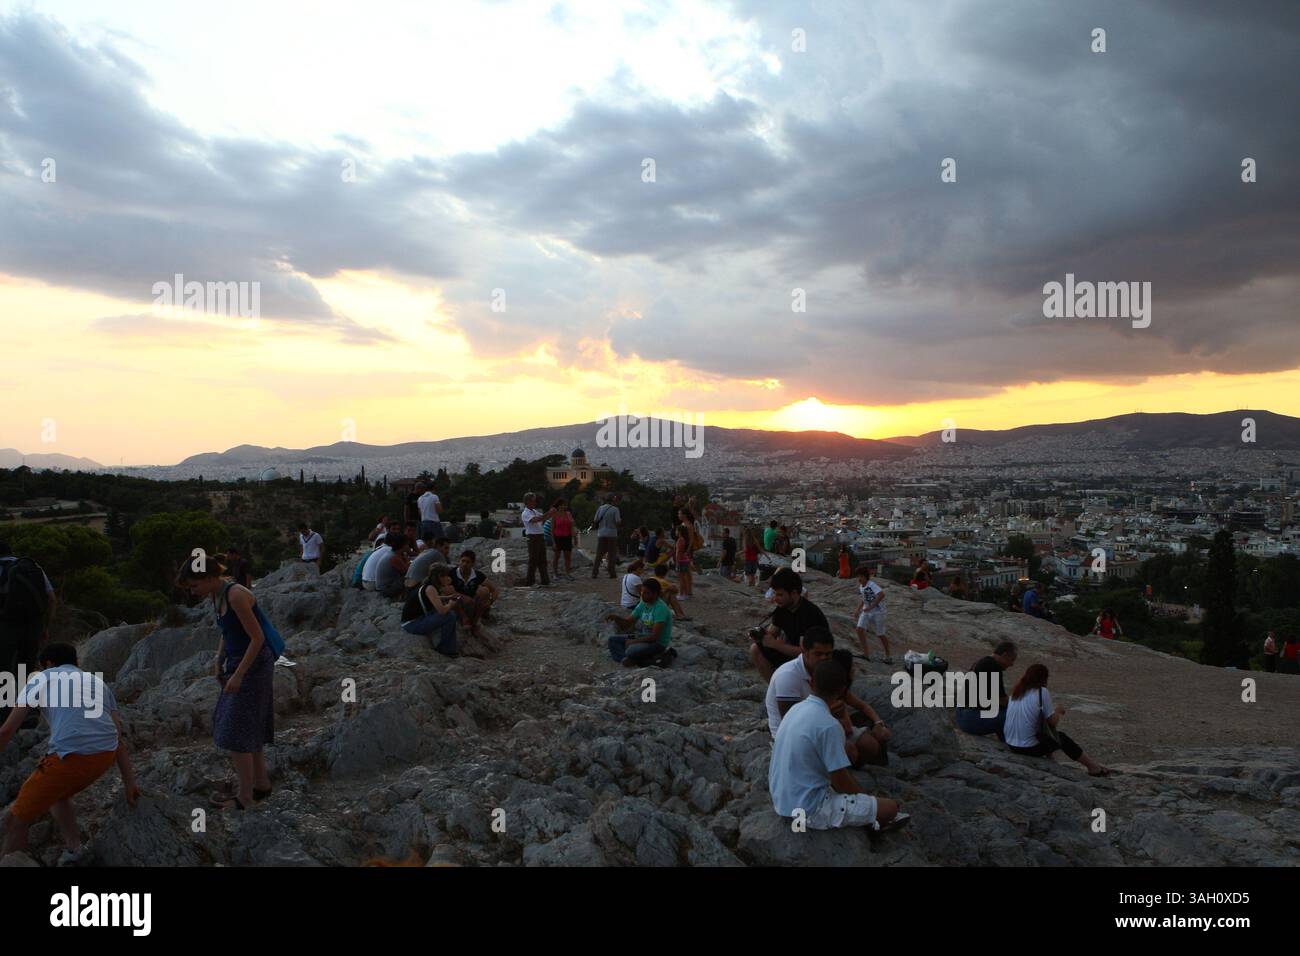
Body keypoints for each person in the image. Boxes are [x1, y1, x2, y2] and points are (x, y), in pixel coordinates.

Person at [0, 642, 141, 864]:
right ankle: (75, 848)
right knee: (57, 793)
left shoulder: (42, 678)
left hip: (73, 757)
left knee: (14, 820)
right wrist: (129, 782)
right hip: (104, 755)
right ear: (76, 662)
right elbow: (117, 735)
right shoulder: (97, 682)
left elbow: (7, 730)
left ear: (47, 664)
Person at [177, 555, 276, 810]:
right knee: (248, 725)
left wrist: (239, 674)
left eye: (194, 585)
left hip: (253, 666)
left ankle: (244, 798)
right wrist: (219, 657)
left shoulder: (235, 596)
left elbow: (257, 638)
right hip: (236, 662)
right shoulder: (216, 595)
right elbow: (228, 630)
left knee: (234, 731)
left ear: (209, 577)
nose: (192, 591)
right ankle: (261, 783)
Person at [768, 660, 905, 831]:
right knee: (891, 808)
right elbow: (841, 781)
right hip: (807, 809)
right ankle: (870, 825)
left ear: (811, 683)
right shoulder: (829, 725)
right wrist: (866, 800)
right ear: (842, 691)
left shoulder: (796, 709)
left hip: (781, 799)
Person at [766, 627, 889, 767]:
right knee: (848, 750)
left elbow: (849, 700)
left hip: (822, 723)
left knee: (869, 745)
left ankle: (843, 768)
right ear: (805, 652)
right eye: (818, 654)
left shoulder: (824, 671)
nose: (823, 659)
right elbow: (790, 721)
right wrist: (833, 721)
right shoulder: (788, 676)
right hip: (794, 735)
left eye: (828, 654)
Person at [1004, 664, 1111, 776]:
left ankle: (1050, 757)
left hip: (1011, 744)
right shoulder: (1041, 692)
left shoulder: (1016, 692)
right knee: (1061, 738)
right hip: (1026, 748)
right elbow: (1052, 722)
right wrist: (1058, 710)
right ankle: (1093, 767)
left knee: (1041, 727)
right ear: (1044, 678)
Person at [0, 540, 56, 721]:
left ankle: (5, 714)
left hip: (6, 626)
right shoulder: (32, 567)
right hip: (34, 625)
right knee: (27, 667)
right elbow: (51, 598)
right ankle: (28, 712)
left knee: (5, 669)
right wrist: (45, 626)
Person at [750, 568, 828, 682]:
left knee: (805, 659)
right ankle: (776, 687)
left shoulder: (809, 614)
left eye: (780, 594)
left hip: (815, 660)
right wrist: (760, 635)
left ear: (794, 593)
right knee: (755, 649)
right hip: (793, 655)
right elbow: (772, 632)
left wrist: (777, 645)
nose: (775, 598)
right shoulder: (783, 608)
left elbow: (805, 652)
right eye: (775, 593)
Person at [829, 648, 892, 766]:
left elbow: (864, 706)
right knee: (869, 744)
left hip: (847, 730)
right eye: (852, 666)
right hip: (838, 734)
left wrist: (878, 723)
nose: (854, 669)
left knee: (879, 731)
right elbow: (845, 728)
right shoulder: (830, 694)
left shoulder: (843, 691)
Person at [954, 641, 1018, 738]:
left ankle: (1005, 739)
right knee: (1015, 714)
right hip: (971, 718)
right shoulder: (993, 666)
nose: (1012, 664)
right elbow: (1001, 700)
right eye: (1012, 660)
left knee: (1005, 710)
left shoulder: (981, 662)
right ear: (1004, 655)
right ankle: (1013, 743)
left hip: (961, 715)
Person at [606, 578, 672, 667]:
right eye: (642, 592)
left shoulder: (660, 608)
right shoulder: (643, 604)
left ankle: (632, 659)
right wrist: (616, 618)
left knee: (630, 650)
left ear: (655, 594)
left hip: (658, 643)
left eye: (646, 593)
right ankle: (626, 659)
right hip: (643, 636)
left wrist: (633, 641)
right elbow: (628, 623)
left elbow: (655, 637)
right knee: (612, 640)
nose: (642, 595)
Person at [401, 564, 464, 657]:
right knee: (450, 616)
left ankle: (446, 646)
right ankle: (446, 649)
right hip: (412, 624)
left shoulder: (427, 585)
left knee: (447, 613)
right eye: (446, 575)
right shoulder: (431, 589)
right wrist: (450, 604)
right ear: (439, 576)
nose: (448, 578)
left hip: (413, 621)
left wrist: (447, 597)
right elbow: (442, 611)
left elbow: (433, 598)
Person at [450, 550, 499, 634]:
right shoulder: (452, 573)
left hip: (472, 605)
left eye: (468, 562)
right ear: (459, 561)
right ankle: (464, 618)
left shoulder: (477, 575)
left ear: (472, 564)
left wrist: (490, 602)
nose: (464, 564)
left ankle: (475, 621)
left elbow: (494, 590)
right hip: (458, 605)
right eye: (463, 561)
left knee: (485, 591)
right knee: (448, 592)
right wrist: (463, 597)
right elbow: (445, 590)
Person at [853, 565, 892, 664]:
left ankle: (888, 656)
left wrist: (872, 606)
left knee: (880, 634)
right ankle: (866, 654)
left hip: (878, 612)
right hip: (866, 611)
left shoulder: (871, 584)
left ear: (865, 576)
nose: (859, 578)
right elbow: (864, 598)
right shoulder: (861, 587)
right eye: (858, 576)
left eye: (860, 576)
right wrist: (858, 610)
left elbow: (881, 594)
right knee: (859, 629)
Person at [521, 493, 555, 587]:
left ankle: (545, 581)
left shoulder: (534, 511)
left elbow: (544, 517)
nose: (535, 502)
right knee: (533, 560)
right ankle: (530, 582)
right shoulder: (526, 513)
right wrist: (549, 512)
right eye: (534, 500)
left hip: (540, 536)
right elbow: (537, 519)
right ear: (528, 501)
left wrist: (551, 512)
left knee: (542, 560)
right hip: (532, 537)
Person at [591, 494, 621, 580]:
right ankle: (612, 573)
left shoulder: (600, 508)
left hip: (601, 533)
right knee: (612, 554)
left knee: (599, 554)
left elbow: (595, 520)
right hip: (612, 533)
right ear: (613, 500)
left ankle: (594, 573)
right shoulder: (615, 509)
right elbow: (618, 521)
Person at [374, 533, 410, 599]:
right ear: (403, 545)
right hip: (385, 589)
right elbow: (408, 572)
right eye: (407, 544)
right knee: (409, 579)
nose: (408, 546)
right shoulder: (394, 557)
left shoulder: (393, 553)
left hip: (385, 586)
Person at [551, 498, 576, 580]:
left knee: (567, 556)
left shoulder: (568, 514)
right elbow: (552, 530)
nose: (563, 506)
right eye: (561, 505)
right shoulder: (554, 515)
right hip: (558, 537)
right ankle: (555, 574)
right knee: (556, 557)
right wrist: (553, 542)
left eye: (565, 505)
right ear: (558, 506)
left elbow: (572, 527)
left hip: (567, 537)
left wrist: (574, 538)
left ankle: (568, 573)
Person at [674, 525, 693, 600]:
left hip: (681, 561)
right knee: (683, 578)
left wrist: (677, 562)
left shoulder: (680, 540)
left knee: (681, 579)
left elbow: (678, 552)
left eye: (676, 530)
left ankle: (682, 594)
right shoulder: (684, 539)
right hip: (685, 560)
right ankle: (685, 593)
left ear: (679, 532)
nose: (675, 532)